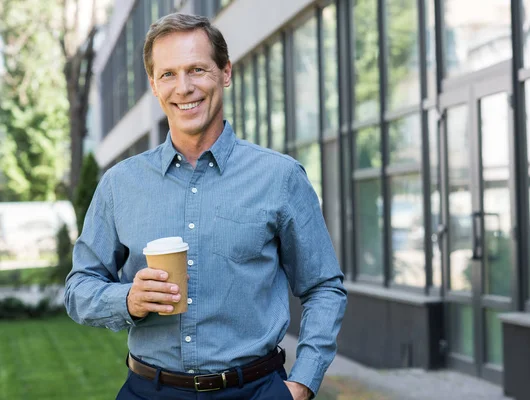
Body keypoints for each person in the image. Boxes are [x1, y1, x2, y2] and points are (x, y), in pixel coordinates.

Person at [64, 12, 347, 400]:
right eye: (168, 74)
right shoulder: (119, 185)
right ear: (154, 85)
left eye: (197, 69)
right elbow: (78, 288)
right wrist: (127, 299)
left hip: (256, 391)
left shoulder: (280, 177)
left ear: (225, 73)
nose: (184, 87)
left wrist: (301, 386)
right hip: (149, 391)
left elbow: (323, 287)